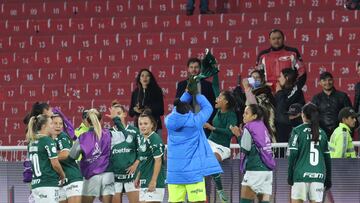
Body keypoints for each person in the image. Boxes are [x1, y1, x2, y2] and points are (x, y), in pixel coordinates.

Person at [165, 91, 222, 203]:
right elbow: (208, 107)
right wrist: (196, 94)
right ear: (189, 111)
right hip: (193, 174)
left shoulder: (169, 121)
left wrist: (187, 93)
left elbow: (178, 108)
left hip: (174, 174)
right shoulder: (195, 121)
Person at [69, 108, 119, 203]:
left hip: (90, 175)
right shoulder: (109, 134)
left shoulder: (82, 137)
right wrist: (116, 119)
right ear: (101, 120)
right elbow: (125, 136)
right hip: (108, 174)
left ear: (87, 123)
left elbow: (72, 156)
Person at [230, 104, 275, 203]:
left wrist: (238, 135)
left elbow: (245, 149)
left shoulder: (249, 126)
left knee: (245, 201)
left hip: (255, 170)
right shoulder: (263, 126)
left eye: (246, 113)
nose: (243, 115)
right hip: (267, 171)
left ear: (254, 116)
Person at [288, 103, 332, 203]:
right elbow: (327, 158)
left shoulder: (297, 131)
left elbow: (293, 154)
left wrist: (290, 175)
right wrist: (328, 178)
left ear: (302, 115)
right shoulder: (322, 133)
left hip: (300, 176)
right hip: (318, 176)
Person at [203, 91, 237, 203]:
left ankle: (220, 190)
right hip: (210, 142)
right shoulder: (218, 111)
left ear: (226, 102)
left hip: (223, 146)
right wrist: (215, 74)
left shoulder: (231, 115)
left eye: (219, 97)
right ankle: (202, 195)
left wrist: (212, 128)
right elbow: (215, 86)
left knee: (212, 160)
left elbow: (229, 133)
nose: (216, 99)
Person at [26, 114, 66, 203]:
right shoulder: (47, 141)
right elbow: (55, 163)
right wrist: (62, 175)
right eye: (51, 123)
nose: (54, 126)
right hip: (48, 184)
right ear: (44, 126)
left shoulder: (31, 142)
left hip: (36, 185)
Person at [109, 100, 140, 203]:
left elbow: (142, 151)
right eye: (114, 114)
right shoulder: (108, 133)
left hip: (131, 177)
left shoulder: (134, 131)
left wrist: (136, 163)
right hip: (115, 177)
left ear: (125, 114)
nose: (117, 117)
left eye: (119, 114)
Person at [176, 57, 216, 135]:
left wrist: (209, 120)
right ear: (188, 69)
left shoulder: (208, 85)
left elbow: (212, 104)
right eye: (191, 67)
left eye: (196, 67)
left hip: (204, 121)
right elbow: (178, 103)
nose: (194, 69)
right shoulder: (182, 85)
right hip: (188, 122)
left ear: (200, 68)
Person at [51, 110, 83, 203]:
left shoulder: (63, 137)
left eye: (60, 123)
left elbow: (65, 154)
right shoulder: (48, 139)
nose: (58, 126)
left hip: (73, 178)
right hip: (60, 181)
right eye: (55, 123)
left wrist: (48, 157)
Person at [134, 112, 166, 203]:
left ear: (152, 124)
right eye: (140, 124)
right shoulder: (142, 139)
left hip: (154, 182)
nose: (142, 126)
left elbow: (158, 161)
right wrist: (138, 177)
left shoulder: (155, 139)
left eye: (145, 123)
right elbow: (144, 160)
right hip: (144, 182)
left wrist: (153, 181)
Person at [312, 72, 352, 137]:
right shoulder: (316, 98)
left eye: (329, 80)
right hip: (322, 134)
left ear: (333, 81)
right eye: (324, 80)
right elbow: (313, 117)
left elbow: (350, 114)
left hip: (341, 133)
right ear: (320, 83)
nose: (327, 83)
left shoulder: (342, 96)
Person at [243, 69, 276, 142]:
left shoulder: (265, 91)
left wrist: (247, 89)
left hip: (265, 128)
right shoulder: (250, 93)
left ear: (262, 79)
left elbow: (255, 108)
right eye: (252, 78)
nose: (254, 80)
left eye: (257, 77)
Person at [275, 68, 306, 143]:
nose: (278, 79)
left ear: (287, 78)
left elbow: (283, 105)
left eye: (280, 76)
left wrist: (279, 92)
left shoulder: (295, 89)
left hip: (293, 128)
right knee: (281, 153)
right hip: (281, 129)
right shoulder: (282, 91)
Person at [129, 69, 164, 135]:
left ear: (150, 78)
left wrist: (149, 109)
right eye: (142, 76)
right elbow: (130, 113)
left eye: (147, 76)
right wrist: (136, 110)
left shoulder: (157, 91)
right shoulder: (135, 92)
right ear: (139, 79)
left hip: (154, 126)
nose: (145, 78)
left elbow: (161, 110)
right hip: (139, 127)